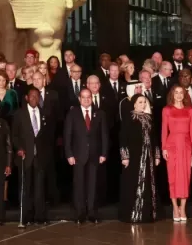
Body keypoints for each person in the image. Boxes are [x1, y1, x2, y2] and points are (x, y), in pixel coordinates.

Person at [64, 88, 109, 224]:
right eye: (83, 97)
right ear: (79, 99)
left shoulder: (100, 114)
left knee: (93, 185)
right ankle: (80, 214)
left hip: (95, 155)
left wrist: (104, 153)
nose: (86, 99)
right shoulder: (73, 113)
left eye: (88, 97)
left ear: (92, 98)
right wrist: (69, 154)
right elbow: (67, 135)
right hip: (78, 155)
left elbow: (104, 135)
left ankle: (92, 213)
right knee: (79, 185)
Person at [12, 86, 54, 225]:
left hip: (40, 157)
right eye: (32, 96)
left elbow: (48, 137)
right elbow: (15, 135)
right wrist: (19, 148)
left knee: (39, 188)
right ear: (26, 98)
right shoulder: (19, 114)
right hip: (25, 156)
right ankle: (26, 217)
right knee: (26, 188)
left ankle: (39, 217)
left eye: (37, 96)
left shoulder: (45, 113)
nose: (34, 98)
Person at [119, 95, 160, 223]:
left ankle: (147, 213)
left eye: (144, 102)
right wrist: (125, 156)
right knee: (133, 182)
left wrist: (157, 155)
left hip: (148, 156)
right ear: (134, 104)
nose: (142, 104)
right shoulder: (129, 118)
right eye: (140, 102)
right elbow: (123, 138)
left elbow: (154, 138)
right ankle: (133, 213)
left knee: (148, 181)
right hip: (134, 156)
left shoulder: (149, 118)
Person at [161, 86, 192, 222]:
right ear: (172, 94)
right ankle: (175, 208)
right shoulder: (166, 110)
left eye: (181, 93)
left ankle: (183, 207)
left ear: (184, 95)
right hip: (171, 145)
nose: (178, 95)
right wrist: (164, 148)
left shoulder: (190, 110)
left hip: (186, 145)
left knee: (185, 177)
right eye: (176, 92)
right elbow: (164, 130)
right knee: (172, 177)